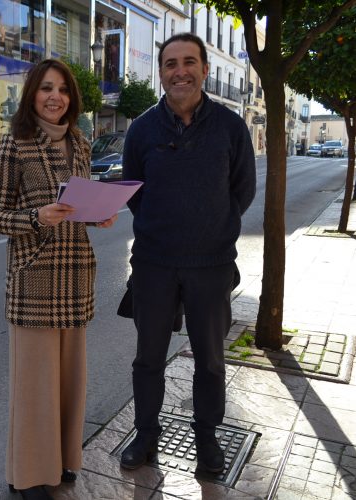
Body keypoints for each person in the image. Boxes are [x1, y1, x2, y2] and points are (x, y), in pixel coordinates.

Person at [120, 33, 256, 473]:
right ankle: (145, 436)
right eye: (171, 63)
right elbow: (134, 192)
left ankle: (207, 440)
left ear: (204, 69)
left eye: (189, 62)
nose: (181, 71)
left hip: (211, 265)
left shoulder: (231, 127)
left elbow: (243, 190)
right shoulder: (141, 130)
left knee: (211, 360)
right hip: (154, 264)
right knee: (148, 359)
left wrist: (211, 227)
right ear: (160, 73)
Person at [0, 59, 117, 500]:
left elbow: (80, 204)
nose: (55, 96)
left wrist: (97, 215)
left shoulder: (80, 143)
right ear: (32, 95)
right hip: (34, 278)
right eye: (46, 88)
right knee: (35, 386)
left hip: (76, 273)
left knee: (70, 380)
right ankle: (26, 474)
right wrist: (36, 217)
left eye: (62, 89)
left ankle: (62, 461)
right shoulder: (15, 145)